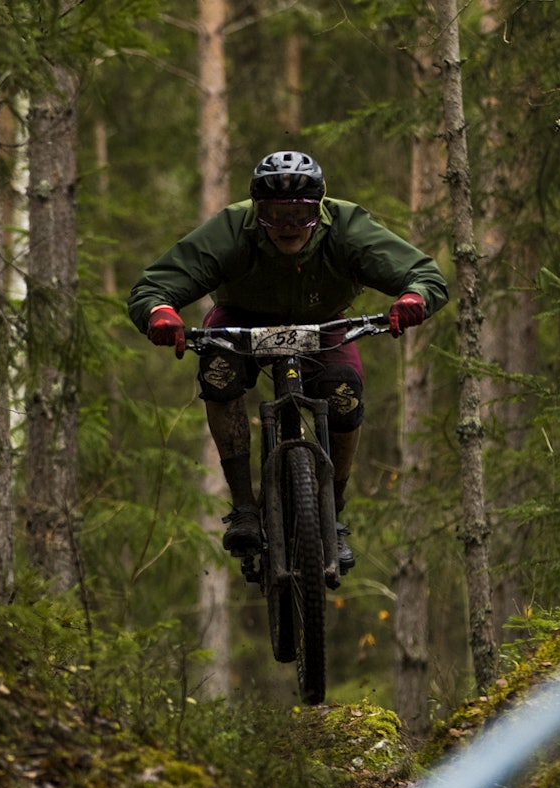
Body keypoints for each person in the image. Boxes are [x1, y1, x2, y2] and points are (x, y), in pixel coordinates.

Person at [127, 150, 449, 568]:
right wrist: (160, 313)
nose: (288, 227)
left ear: (320, 207)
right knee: (219, 371)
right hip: (240, 320)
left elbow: (423, 275)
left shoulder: (347, 226)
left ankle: (332, 516)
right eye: (274, 214)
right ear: (256, 209)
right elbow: (156, 286)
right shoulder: (232, 228)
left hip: (323, 323)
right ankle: (244, 507)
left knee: (344, 393)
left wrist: (414, 298)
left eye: (300, 214)